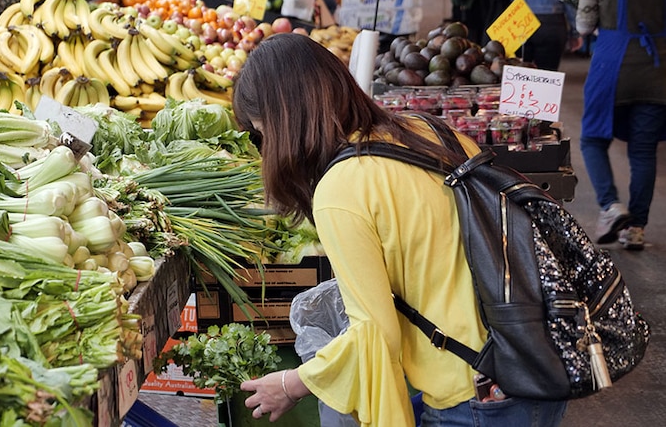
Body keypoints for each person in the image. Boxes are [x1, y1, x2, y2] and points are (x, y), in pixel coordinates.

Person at [233, 33, 568, 426]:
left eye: (261, 134)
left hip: (476, 393)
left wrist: (292, 383)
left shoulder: (342, 190)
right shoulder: (428, 131)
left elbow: (375, 336)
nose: (264, 149)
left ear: (285, 121)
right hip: (535, 361)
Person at [576, 0, 666, 250]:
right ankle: (636, 227)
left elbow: (584, 26)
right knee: (643, 151)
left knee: (592, 139)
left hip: (612, 67)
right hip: (658, 72)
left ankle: (611, 206)